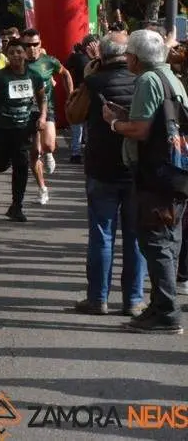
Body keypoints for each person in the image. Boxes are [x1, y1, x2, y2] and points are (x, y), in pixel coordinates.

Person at [104, 29, 185, 334]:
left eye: (128, 55)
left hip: (156, 172)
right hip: (172, 171)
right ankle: (160, 306)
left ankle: (166, 311)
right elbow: (155, 120)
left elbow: (139, 129)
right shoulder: (169, 76)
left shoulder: (150, 80)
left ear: (136, 57)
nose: (125, 60)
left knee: (156, 241)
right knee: (168, 239)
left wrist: (113, 122)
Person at [76, 32, 145, 316]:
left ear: (101, 55)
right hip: (136, 169)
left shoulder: (93, 82)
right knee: (135, 237)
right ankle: (133, 300)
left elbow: (74, 116)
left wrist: (88, 74)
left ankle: (98, 299)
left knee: (101, 235)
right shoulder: (142, 81)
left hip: (101, 169)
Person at [0, 38, 47, 222]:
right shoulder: (1, 76)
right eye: (12, 52)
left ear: (25, 54)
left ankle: (17, 206)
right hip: (2, 128)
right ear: (7, 56)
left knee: (21, 165)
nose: (16, 55)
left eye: (19, 52)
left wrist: (42, 117)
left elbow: (42, 99)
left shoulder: (34, 76)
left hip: (23, 128)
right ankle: (4, 157)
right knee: (0, 165)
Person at [21, 28, 74, 199]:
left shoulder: (49, 61)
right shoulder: (17, 64)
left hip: (46, 107)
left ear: (40, 44)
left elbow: (65, 74)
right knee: (34, 152)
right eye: (27, 45)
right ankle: (42, 188)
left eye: (35, 44)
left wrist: (70, 95)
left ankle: (49, 154)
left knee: (49, 145)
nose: (31, 48)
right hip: (26, 112)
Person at [66, 34, 99, 163]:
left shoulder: (78, 57)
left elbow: (67, 66)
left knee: (77, 125)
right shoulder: (90, 60)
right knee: (87, 126)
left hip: (79, 94)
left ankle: (76, 153)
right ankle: (86, 152)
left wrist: (73, 54)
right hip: (89, 94)